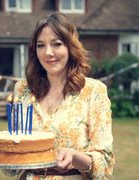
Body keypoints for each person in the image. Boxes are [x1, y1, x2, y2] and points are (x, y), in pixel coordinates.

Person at [8, 12, 114, 179]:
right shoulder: (22, 89)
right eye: (41, 45)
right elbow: (13, 166)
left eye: (56, 44)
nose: (48, 53)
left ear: (70, 48)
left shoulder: (93, 91)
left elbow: (104, 165)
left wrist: (76, 157)